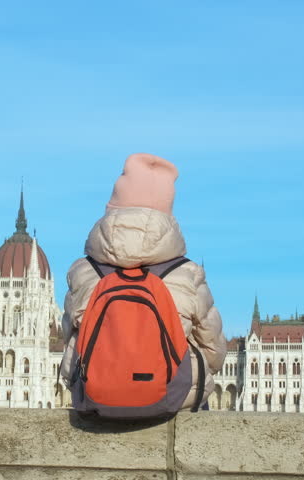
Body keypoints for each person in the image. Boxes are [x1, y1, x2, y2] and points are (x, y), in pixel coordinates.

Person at [60, 153, 226, 412]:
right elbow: (213, 348)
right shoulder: (188, 273)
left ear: (112, 210)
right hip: (171, 396)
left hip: (96, 395)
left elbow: (69, 338)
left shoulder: (83, 271)